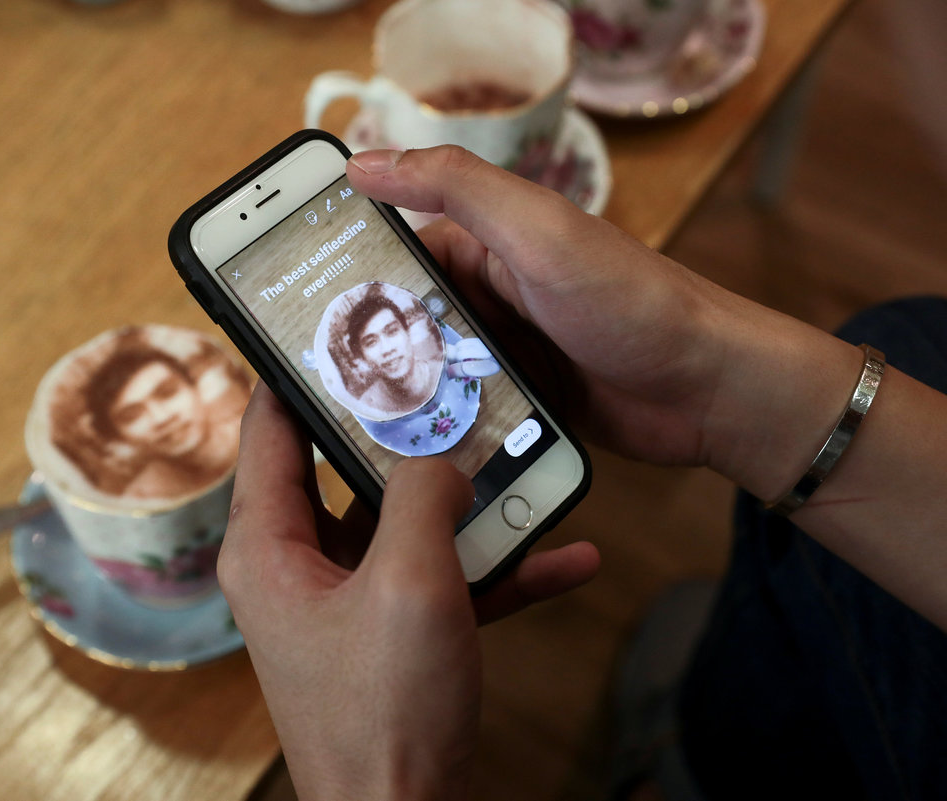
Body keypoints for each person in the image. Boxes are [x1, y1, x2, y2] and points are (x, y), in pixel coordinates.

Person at [217, 145, 947, 801]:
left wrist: (370, 784)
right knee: (910, 337)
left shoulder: (451, 361)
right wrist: (717, 386)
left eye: (389, 332)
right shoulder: (377, 412)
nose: (385, 352)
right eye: (369, 348)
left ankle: (678, 771)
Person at [50, 327, 250, 501]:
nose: (161, 418)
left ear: (193, 386)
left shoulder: (254, 429)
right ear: (118, 436)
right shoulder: (142, 496)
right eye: (132, 416)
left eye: (167, 393)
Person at [340, 284, 441, 415]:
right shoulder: (368, 408)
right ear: (361, 356)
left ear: (407, 332)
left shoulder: (442, 370)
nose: (387, 349)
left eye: (392, 331)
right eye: (371, 342)